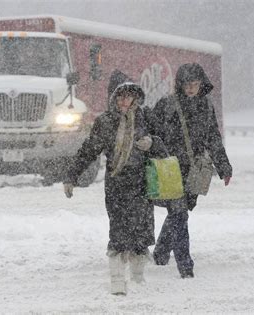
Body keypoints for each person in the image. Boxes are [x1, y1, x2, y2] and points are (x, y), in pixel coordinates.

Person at [63, 82, 167, 295]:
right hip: (117, 186)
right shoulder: (105, 122)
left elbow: (166, 147)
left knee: (141, 235)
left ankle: (138, 281)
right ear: (113, 99)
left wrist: (153, 143)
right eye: (120, 97)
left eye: (128, 97)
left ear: (135, 99)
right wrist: (71, 176)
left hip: (142, 185)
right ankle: (117, 281)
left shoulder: (146, 119)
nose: (124, 101)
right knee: (118, 234)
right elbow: (88, 151)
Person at [151, 63, 232, 278]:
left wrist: (224, 166)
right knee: (178, 214)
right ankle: (185, 266)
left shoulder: (205, 106)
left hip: (194, 170)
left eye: (195, 84)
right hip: (171, 169)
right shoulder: (166, 105)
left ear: (201, 84)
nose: (191, 89)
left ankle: (160, 253)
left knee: (180, 213)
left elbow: (213, 137)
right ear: (180, 84)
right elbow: (153, 135)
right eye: (187, 84)